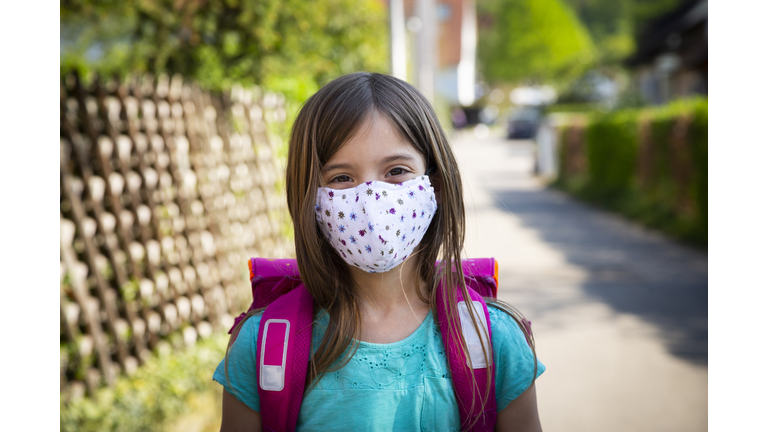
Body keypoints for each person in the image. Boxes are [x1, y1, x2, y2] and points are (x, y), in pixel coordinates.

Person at [213, 72, 545, 431]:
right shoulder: (262, 348)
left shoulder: (493, 339)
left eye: (396, 171)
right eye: (341, 178)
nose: (372, 199)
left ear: (434, 180)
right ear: (309, 196)